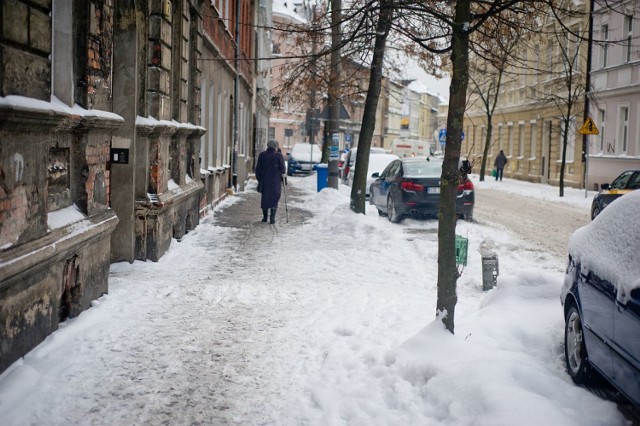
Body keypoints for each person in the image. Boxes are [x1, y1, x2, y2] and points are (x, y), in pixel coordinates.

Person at [255, 140, 286, 224]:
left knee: (265, 198)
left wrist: (260, 179)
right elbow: (283, 169)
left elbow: (257, 170)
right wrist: (282, 180)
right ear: (275, 146)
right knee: (274, 198)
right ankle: (272, 218)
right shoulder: (279, 156)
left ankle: (265, 217)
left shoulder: (262, 155)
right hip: (276, 182)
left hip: (265, 181)